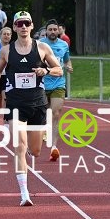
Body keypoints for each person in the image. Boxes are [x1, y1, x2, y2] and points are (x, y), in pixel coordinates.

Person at [0, 11, 62, 207]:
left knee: (36, 151)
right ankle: (24, 192)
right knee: (19, 147)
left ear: (31, 26)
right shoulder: (6, 51)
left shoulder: (42, 48)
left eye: (26, 23)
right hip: (15, 103)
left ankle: (31, 154)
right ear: (14, 27)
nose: (23, 27)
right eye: (19, 23)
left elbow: (59, 70)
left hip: (37, 103)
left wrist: (45, 70)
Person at [40, 19, 73, 161]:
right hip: (41, 84)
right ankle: (35, 140)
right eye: (50, 29)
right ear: (46, 31)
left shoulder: (63, 44)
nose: (53, 32)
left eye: (55, 29)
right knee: (41, 115)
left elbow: (66, 60)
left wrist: (69, 66)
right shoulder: (39, 44)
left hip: (58, 83)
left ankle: (53, 147)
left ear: (59, 30)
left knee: (56, 114)